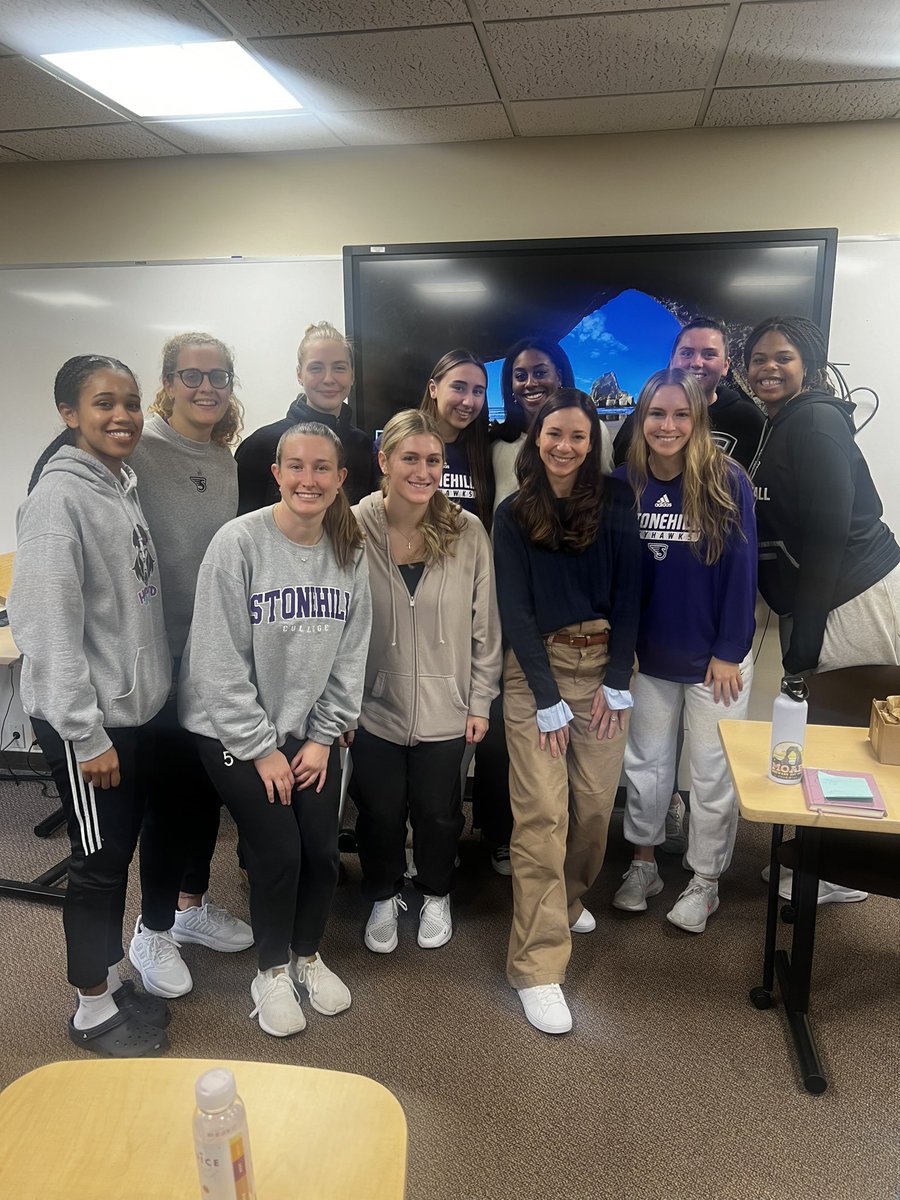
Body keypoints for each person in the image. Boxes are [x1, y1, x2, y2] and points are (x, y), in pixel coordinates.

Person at [178, 422, 371, 1037]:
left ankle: (306, 956)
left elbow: (351, 656)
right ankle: (271, 973)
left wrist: (322, 736)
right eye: (296, 466)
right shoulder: (238, 543)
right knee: (279, 851)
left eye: (322, 468)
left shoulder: (349, 551)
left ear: (341, 479)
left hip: (307, 730)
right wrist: (262, 750)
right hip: (231, 729)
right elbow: (215, 662)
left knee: (321, 851)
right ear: (277, 473)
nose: (308, 479)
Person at [9, 355, 172, 1056]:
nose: (123, 415)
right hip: (90, 725)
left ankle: (106, 980)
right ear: (69, 413)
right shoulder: (58, 500)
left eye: (131, 402)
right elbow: (46, 627)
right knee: (98, 862)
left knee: (115, 854)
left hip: (125, 715)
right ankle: (90, 1011)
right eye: (104, 403)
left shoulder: (117, 484)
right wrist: (85, 734)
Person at [493, 389, 641, 1035]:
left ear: (592, 442)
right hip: (537, 675)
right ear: (537, 437)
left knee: (593, 812)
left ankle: (567, 899)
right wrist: (546, 695)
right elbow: (515, 609)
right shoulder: (512, 513)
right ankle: (537, 968)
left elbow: (632, 591)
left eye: (579, 436)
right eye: (555, 433)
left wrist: (618, 678)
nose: (565, 446)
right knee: (542, 819)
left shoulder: (617, 501)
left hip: (604, 671)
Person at [746, 314, 900, 906]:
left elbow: (830, 531)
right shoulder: (782, 421)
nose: (769, 368)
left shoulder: (813, 421)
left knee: (852, 731)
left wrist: (805, 631)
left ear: (808, 365)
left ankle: (844, 871)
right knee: (827, 729)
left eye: (782, 357)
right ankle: (825, 852)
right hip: (826, 596)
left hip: (854, 593)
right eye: (759, 358)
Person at [126, 332, 253, 1001]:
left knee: (205, 791)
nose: (207, 387)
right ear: (168, 382)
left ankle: (190, 907)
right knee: (169, 798)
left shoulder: (225, 460)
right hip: (162, 656)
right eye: (192, 375)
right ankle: (150, 929)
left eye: (219, 376)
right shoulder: (138, 450)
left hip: (215, 655)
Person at [611, 369, 757, 933]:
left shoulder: (727, 480)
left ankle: (704, 880)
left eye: (680, 414)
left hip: (715, 660)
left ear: (698, 420)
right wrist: (622, 652)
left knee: (711, 772)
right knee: (645, 765)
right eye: (656, 413)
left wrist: (729, 650)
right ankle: (644, 863)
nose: (667, 425)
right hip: (648, 657)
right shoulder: (624, 483)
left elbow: (742, 572)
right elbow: (617, 579)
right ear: (640, 419)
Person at [351, 409, 500, 954]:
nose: (423, 470)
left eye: (433, 460)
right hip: (373, 707)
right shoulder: (352, 527)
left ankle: (436, 892)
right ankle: (383, 893)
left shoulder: (467, 530)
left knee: (439, 813)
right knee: (379, 813)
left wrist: (479, 701)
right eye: (409, 458)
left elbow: (486, 626)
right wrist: (342, 705)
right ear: (384, 461)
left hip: (448, 706)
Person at [235, 321, 376, 513]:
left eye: (339, 368)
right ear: (299, 375)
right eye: (316, 368)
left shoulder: (363, 446)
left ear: (352, 376)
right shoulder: (260, 446)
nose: (328, 379)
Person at [613, 317, 763, 469]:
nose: (696, 363)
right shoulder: (640, 419)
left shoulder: (749, 421)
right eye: (686, 353)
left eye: (709, 354)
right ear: (672, 361)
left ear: (725, 366)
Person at [492, 336, 614, 509]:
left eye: (540, 373)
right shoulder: (496, 445)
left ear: (559, 377)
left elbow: (605, 497)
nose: (530, 383)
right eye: (520, 376)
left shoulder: (595, 431)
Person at [418, 348, 495, 532]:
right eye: (459, 388)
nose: (469, 402)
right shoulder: (397, 447)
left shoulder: (487, 452)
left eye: (478, 391)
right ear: (433, 389)